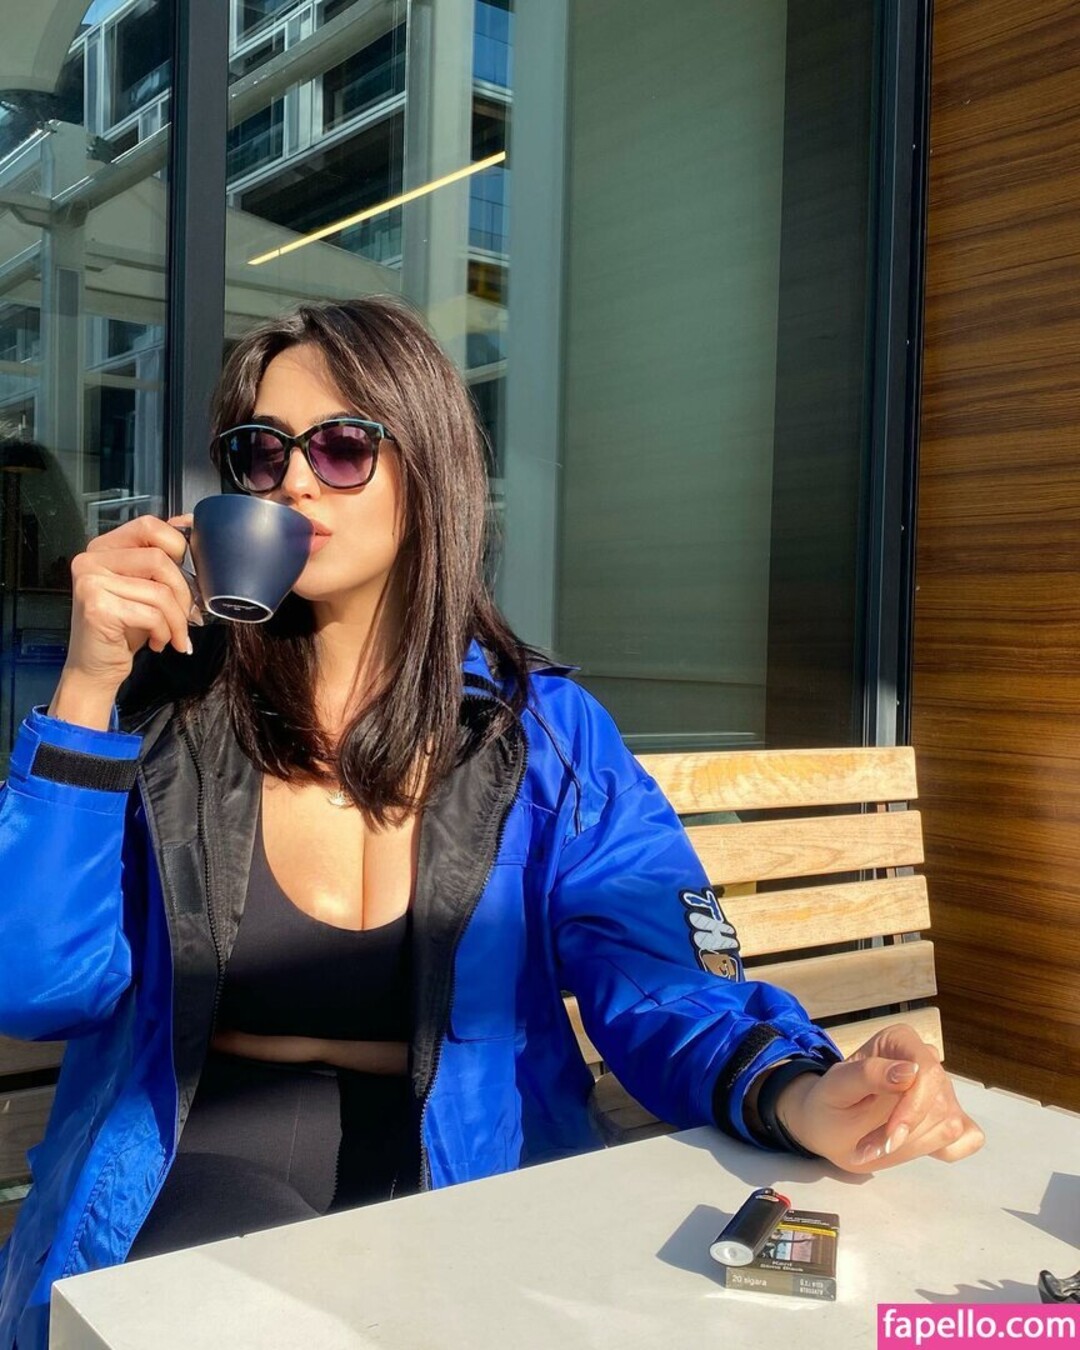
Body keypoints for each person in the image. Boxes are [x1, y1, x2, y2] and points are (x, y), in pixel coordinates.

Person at [0, 297, 983, 1350]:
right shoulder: (169, 712)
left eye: (341, 447)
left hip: (478, 1174)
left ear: (429, 469)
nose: (294, 480)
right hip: (198, 1165)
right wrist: (88, 687)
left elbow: (659, 975)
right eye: (261, 452)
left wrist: (799, 1091)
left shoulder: (544, 733)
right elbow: (37, 989)